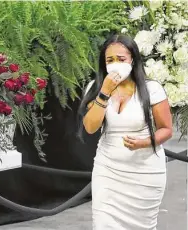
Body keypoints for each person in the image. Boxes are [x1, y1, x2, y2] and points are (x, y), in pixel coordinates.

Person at [77, 34, 173, 230]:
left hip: (145, 173)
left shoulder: (151, 89)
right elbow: (90, 127)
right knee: (103, 224)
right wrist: (104, 92)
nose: (115, 64)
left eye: (121, 59)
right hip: (108, 170)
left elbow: (166, 130)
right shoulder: (95, 88)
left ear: (133, 60)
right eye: (109, 60)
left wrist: (145, 142)